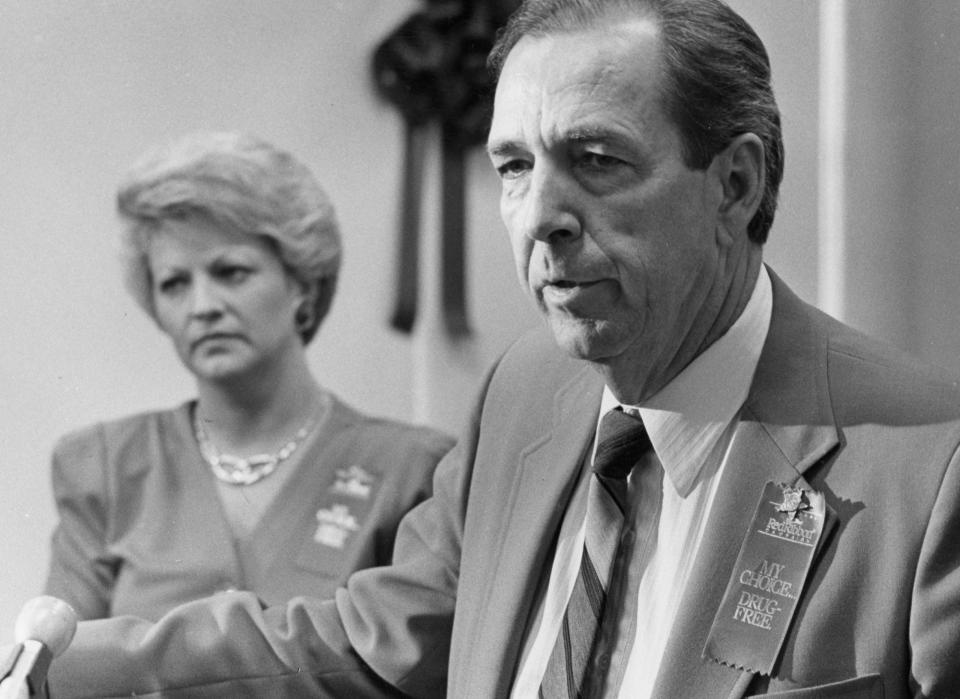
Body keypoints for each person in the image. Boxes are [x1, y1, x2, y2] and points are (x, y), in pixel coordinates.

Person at [39, 1, 960, 697]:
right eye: (515, 166)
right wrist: (57, 664)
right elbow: (372, 640)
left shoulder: (927, 466)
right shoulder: (528, 390)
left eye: (595, 159)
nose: (541, 219)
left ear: (735, 180)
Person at [42, 132, 453, 622]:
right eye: (174, 284)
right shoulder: (105, 467)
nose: (203, 307)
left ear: (301, 282)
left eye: (231, 272)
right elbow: (57, 669)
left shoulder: (413, 470)